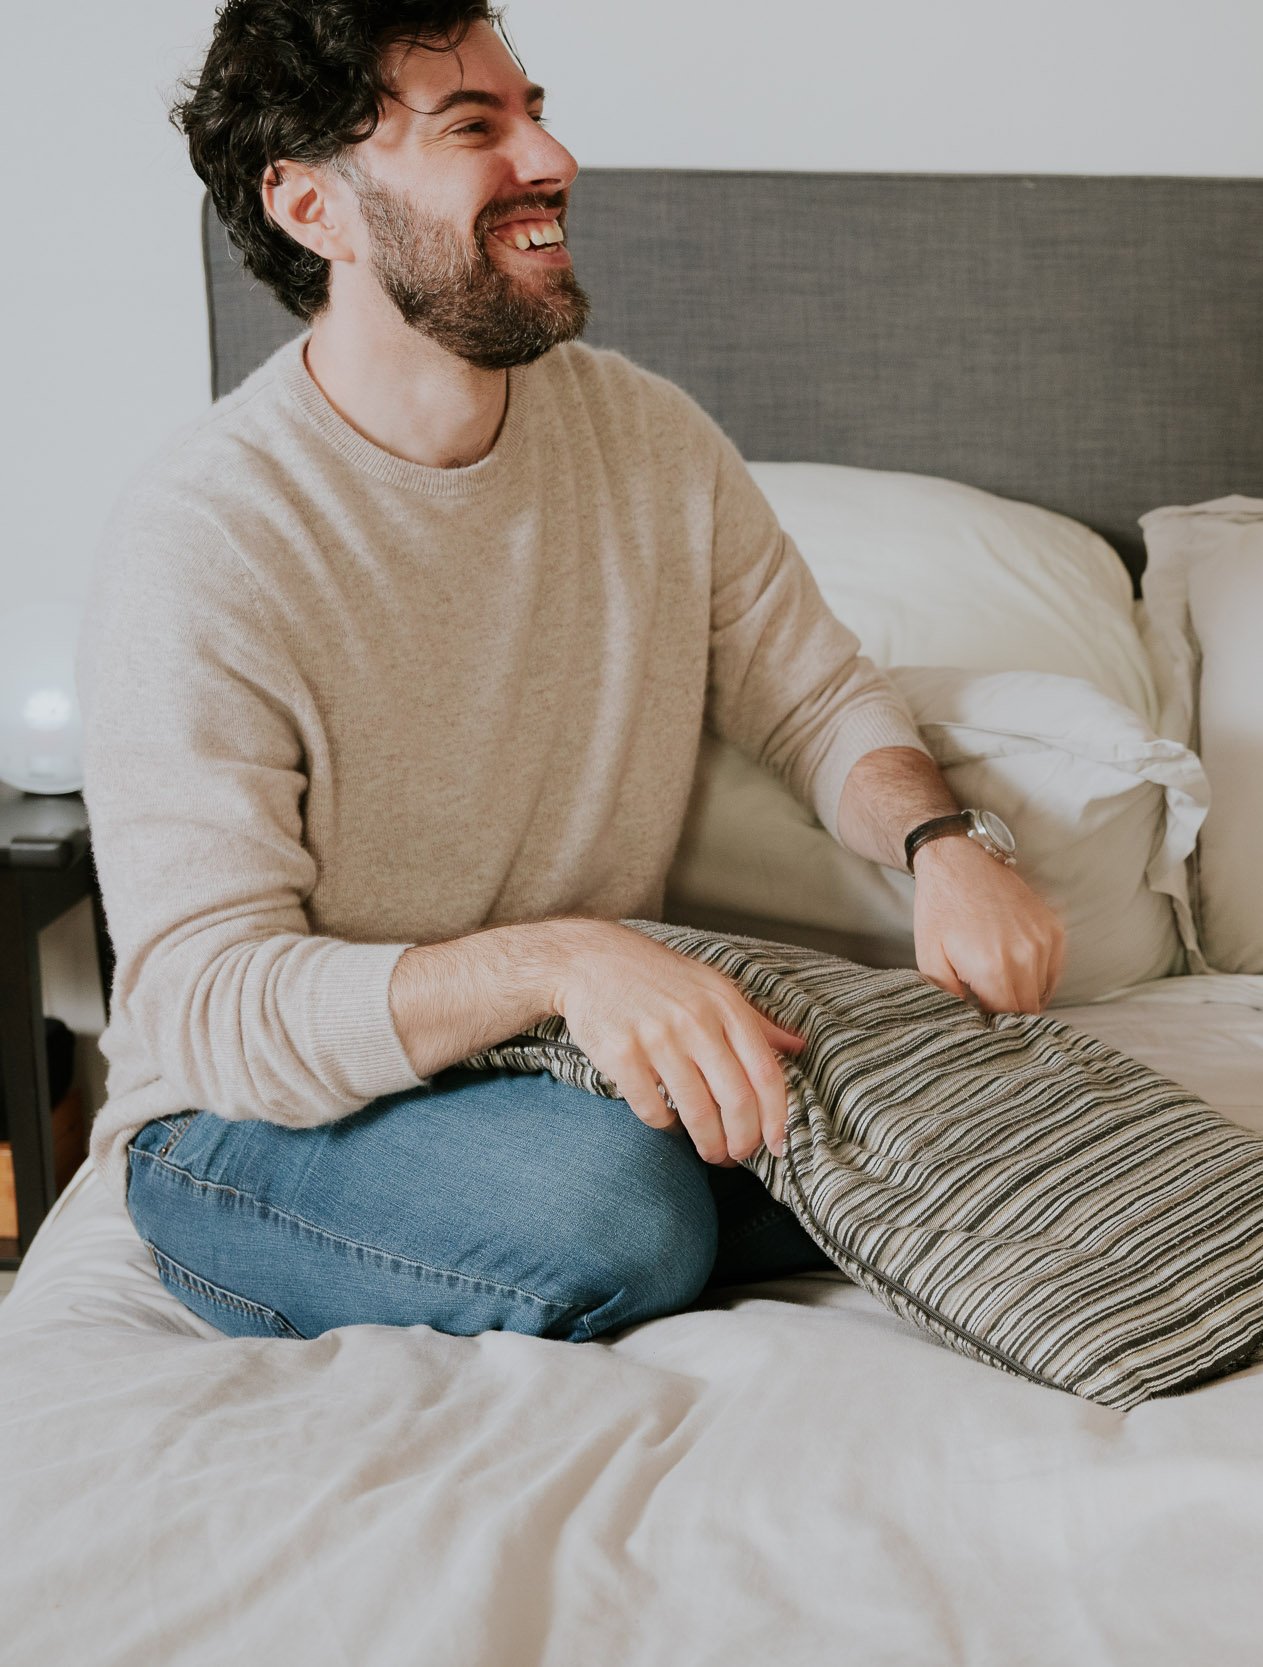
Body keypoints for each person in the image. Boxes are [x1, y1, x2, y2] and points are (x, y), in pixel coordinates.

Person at [81, 0, 1066, 1343]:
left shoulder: (645, 437)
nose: (553, 158)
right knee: (623, 1210)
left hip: (549, 1066)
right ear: (316, 207)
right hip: (252, 1129)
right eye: (476, 127)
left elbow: (821, 700)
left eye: (533, 107)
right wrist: (568, 962)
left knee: (985, 1091)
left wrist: (946, 844)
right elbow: (209, 1006)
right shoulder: (207, 537)